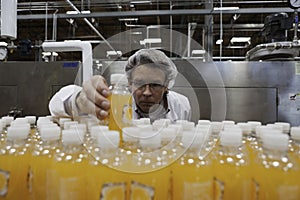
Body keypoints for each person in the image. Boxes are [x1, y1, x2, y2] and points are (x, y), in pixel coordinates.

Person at [49, 48, 191, 123]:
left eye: (155, 85)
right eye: (139, 84)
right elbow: (57, 104)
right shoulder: (115, 102)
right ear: (129, 83)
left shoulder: (182, 105)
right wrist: (79, 100)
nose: (147, 92)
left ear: (167, 85)